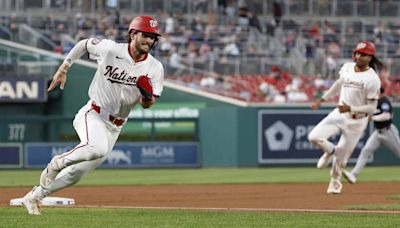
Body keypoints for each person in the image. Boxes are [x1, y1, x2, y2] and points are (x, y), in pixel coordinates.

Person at [22, 15, 164, 215]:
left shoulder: (155, 67)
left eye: (152, 37)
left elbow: (148, 104)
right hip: (94, 113)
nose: (149, 40)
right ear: (133, 34)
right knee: (96, 147)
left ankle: (34, 197)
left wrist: (146, 94)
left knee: (77, 174)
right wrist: (64, 68)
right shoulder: (111, 49)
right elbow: (84, 44)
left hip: (116, 125)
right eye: (145, 35)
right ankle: (56, 163)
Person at [308, 41, 384, 194]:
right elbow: (338, 83)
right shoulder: (347, 67)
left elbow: (372, 107)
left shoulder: (372, 79)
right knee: (314, 137)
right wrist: (322, 99)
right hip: (340, 113)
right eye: (356, 52)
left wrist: (351, 107)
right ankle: (330, 150)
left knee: (341, 160)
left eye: (362, 54)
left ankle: (335, 182)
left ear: (370, 57)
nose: (357, 56)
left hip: (357, 121)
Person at [343, 87, 400, 184]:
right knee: (365, 151)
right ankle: (353, 175)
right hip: (377, 132)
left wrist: (373, 118)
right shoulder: (373, 103)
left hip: (388, 131)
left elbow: (387, 116)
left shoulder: (384, 101)